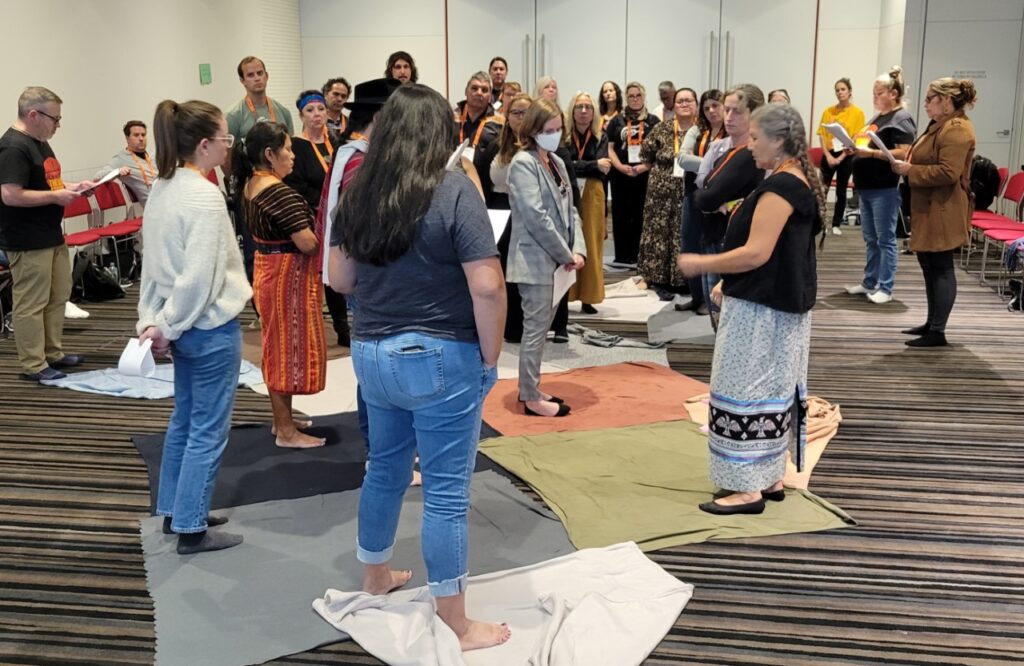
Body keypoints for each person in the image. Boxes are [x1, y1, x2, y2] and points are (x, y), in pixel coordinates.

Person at [327, 83, 510, 652]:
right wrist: (491, 356)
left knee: (382, 468)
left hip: (373, 354)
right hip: (439, 356)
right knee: (447, 492)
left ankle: (375, 575)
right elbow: (486, 286)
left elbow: (340, 279)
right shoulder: (455, 191)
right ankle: (455, 621)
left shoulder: (358, 193)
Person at [676, 103, 825, 515]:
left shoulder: (781, 187)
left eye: (757, 138)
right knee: (772, 390)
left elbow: (756, 253)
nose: (750, 145)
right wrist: (729, 279)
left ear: (778, 141)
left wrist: (703, 264)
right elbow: (780, 251)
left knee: (744, 390)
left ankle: (746, 487)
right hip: (775, 303)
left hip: (763, 309)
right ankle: (770, 476)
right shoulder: (790, 179)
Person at [137, 99, 251, 553]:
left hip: (183, 327)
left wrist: (154, 321)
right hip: (207, 329)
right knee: (206, 429)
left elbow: (154, 270)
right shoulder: (203, 196)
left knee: (185, 421)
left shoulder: (163, 187)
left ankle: (176, 510)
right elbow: (198, 279)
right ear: (204, 145)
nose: (229, 146)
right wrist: (168, 325)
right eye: (225, 139)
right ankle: (190, 526)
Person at [238, 122, 326, 448]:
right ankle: (287, 433)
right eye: (287, 149)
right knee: (282, 351)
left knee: (277, 347)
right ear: (269, 154)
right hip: (284, 276)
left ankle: (282, 422)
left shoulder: (252, 184)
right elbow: (306, 243)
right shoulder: (276, 191)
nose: (292, 155)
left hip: (269, 269)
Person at [0, 86, 94, 382]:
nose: (58, 125)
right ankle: (33, 363)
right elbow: (10, 195)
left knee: (58, 295)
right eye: (55, 119)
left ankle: (52, 352)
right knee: (31, 302)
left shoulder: (39, 142)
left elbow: (46, 181)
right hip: (26, 238)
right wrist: (56, 198)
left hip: (50, 232)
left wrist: (73, 187)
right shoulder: (13, 147)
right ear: (33, 115)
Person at [507, 99, 586, 417]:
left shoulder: (555, 161)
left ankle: (532, 387)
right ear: (533, 130)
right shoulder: (523, 163)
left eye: (558, 129)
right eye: (548, 130)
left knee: (543, 328)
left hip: (558, 261)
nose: (554, 135)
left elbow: (571, 211)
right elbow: (536, 216)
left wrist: (577, 249)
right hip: (535, 261)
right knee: (535, 330)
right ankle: (529, 396)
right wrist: (564, 253)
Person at [891, 77, 977, 347]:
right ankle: (932, 322)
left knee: (940, 267)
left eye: (931, 99)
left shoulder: (957, 129)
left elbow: (949, 172)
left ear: (948, 101)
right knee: (929, 265)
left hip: (944, 208)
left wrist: (910, 171)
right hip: (931, 206)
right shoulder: (939, 126)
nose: (926, 104)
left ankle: (938, 331)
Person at [693, 84, 766, 328]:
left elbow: (706, 198)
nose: (728, 117)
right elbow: (701, 192)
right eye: (727, 110)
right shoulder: (722, 148)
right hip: (713, 232)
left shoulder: (750, 154)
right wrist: (712, 198)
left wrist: (716, 199)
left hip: (732, 239)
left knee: (727, 315)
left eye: (737, 111)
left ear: (754, 115)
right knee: (717, 314)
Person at [845, 66, 916, 304]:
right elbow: (867, 144)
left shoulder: (901, 118)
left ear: (893, 94)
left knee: (885, 239)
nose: (875, 97)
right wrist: (854, 147)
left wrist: (871, 154)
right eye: (873, 93)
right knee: (871, 239)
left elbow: (904, 152)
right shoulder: (877, 117)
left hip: (884, 187)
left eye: (879, 93)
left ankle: (886, 287)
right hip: (867, 186)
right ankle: (869, 281)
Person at [286, 89, 347, 346]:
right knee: (313, 277)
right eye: (310, 111)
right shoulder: (296, 146)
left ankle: (343, 327)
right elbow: (296, 183)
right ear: (301, 115)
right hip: (312, 217)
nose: (317, 115)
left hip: (339, 215)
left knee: (336, 273)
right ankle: (311, 332)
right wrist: (323, 201)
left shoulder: (337, 142)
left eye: (321, 109)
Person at [475, 93, 533, 340]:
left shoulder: (540, 147)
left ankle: (523, 327)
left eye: (526, 113)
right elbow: (478, 177)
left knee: (524, 272)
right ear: (507, 118)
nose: (521, 118)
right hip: (498, 213)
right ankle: (500, 326)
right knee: (500, 272)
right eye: (516, 112)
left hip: (528, 213)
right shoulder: (495, 146)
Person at [638, 87, 697, 298]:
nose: (684, 104)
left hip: (689, 191)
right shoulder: (662, 128)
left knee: (682, 233)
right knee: (658, 234)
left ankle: (682, 280)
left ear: (696, 105)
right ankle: (657, 277)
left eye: (688, 100)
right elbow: (646, 154)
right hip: (659, 193)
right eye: (680, 101)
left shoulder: (702, 132)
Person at [676, 89, 726, 314]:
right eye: (707, 108)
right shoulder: (697, 130)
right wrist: (713, 163)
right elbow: (682, 158)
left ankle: (710, 299)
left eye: (716, 106)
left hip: (720, 198)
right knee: (689, 244)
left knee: (712, 248)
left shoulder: (730, 132)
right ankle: (697, 297)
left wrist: (708, 164)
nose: (711, 111)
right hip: (693, 195)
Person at [565, 91, 610, 315]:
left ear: (594, 112)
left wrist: (577, 164)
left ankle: (588, 297)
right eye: (579, 107)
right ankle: (567, 294)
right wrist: (592, 164)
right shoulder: (563, 136)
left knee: (592, 245)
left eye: (588, 107)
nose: (584, 111)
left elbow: (604, 168)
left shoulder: (601, 137)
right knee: (568, 241)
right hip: (568, 191)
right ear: (572, 111)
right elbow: (564, 166)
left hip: (593, 193)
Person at [605, 82, 659, 265]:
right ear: (626, 98)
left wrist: (645, 166)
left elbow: (660, 150)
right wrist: (620, 166)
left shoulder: (653, 121)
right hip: (621, 174)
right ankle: (622, 256)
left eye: (638, 95)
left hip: (644, 174)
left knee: (641, 214)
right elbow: (609, 148)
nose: (635, 99)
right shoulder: (617, 121)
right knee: (620, 213)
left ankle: (639, 255)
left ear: (644, 97)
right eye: (631, 96)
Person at [816, 78, 865, 235]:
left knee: (841, 190)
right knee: (822, 189)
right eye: (837, 90)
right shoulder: (828, 111)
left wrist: (841, 157)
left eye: (843, 89)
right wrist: (828, 156)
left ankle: (836, 223)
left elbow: (856, 138)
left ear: (850, 91)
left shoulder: (858, 113)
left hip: (846, 155)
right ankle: (819, 222)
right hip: (829, 153)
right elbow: (822, 135)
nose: (839, 92)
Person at [225, 56, 294, 141]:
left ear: (266, 76)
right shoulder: (233, 116)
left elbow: (290, 149)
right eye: (251, 75)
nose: (257, 78)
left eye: (260, 73)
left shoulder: (283, 112)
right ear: (242, 80)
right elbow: (227, 152)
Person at [98, 120, 156, 204]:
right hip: (153, 204)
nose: (141, 138)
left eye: (143, 135)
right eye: (136, 135)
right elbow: (98, 177)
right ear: (127, 138)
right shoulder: (121, 159)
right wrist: (117, 172)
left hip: (169, 195)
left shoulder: (154, 154)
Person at [455, 72, 503, 158]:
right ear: (466, 91)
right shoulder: (452, 117)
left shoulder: (500, 122)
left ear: (490, 96)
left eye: (484, 90)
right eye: (474, 88)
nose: (479, 93)